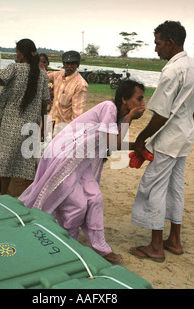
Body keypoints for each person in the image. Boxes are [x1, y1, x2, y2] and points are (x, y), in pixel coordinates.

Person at [19, 80, 146, 264]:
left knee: (95, 198)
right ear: (124, 99)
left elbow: (114, 144)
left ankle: (101, 247)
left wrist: (136, 146)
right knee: (77, 203)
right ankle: (70, 241)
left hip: (82, 161)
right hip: (66, 156)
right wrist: (130, 118)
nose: (142, 103)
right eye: (139, 98)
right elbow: (112, 143)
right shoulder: (109, 107)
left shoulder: (118, 117)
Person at [128, 21, 194, 262]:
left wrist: (141, 138)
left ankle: (155, 246)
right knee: (175, 188)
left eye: (158, 43)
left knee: (154, 188)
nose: (155, 49)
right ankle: (174, 240)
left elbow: (160, 114)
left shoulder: (172, 70)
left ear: (171, 43)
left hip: (168, 141)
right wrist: (187, 130)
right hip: (183, 139)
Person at [0, 38, 50, 195]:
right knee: (28, 163)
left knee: (6, 164)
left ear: (22, 55)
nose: (16, 55)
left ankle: (4, 195)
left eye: (17, 52)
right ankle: (31, 196)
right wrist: (44, 125)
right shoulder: (42, 75)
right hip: (31, 126)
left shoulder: (14, 68)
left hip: (10, 125)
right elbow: (45, 103)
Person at [48, 50, 88, 135]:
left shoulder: (80, 85)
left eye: (72, 64)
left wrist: (72, 134)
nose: (69, 66)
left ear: (77, 65)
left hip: (64, 129)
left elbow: (77, 114)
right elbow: (45, 75)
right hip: (50, 123)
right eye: (67, 63)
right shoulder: (58, 75)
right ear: (64, 64)